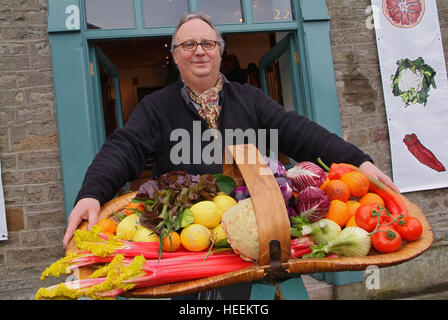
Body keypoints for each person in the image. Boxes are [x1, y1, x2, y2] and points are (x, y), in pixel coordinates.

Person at [62, 12, 400, 292]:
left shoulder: (249, 98)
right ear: (176, 54)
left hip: (246, 235)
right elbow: (124, 147)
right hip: (187, 239)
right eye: (188, 44)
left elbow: (300, 132)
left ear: (220, 53)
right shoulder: (156, 107)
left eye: (208, 43)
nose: (199, 51)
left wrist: (357, 161)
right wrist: (92, 193)